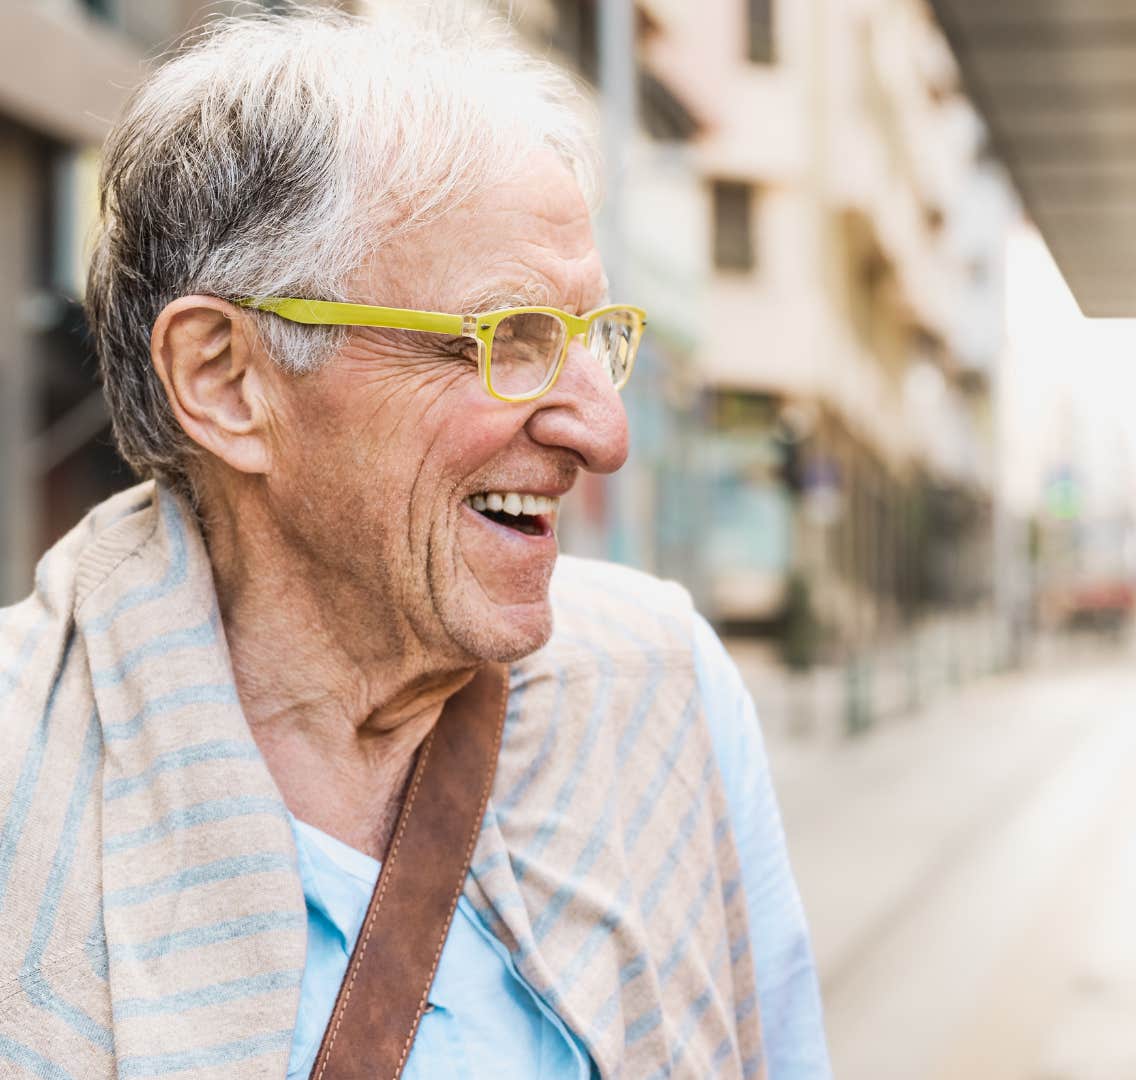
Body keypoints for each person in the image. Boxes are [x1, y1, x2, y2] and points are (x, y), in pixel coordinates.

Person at [0, 11, 829, 1078]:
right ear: (226, 379)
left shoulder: (662, 687)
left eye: (590, 342)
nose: (603, 434)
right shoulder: (22, 772)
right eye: (508, 340)